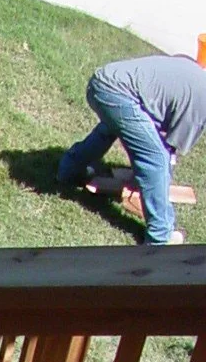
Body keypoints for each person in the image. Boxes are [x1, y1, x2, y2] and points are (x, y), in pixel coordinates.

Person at [58, 54, 206, 245]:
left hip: (102, 80)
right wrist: (151, 177)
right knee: (156, 159)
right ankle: (160, 237)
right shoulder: (200, 105)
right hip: (117, 94)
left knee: (111, 127)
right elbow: (169, 147)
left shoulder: (196, 76)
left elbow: (158, 119)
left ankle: (69, 171)